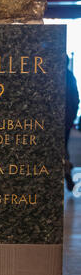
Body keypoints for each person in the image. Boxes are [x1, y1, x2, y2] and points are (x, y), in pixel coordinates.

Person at [65, 56, 80, 191]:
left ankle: (68, 173)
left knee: (62, 150)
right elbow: (75, 100)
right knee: (63, 149)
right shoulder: (69, 76)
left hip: (64, 121)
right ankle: (67, 171)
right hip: (66, 120)